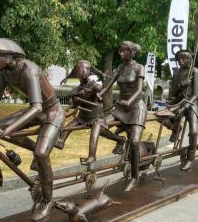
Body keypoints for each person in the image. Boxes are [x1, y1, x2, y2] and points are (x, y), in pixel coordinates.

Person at [0, 38, 65, 222]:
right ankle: (40, 147)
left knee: (42, 153)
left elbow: (37, 107)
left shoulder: (30, 70)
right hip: (36, 111)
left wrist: (10, 129)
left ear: (10, 56)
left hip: (52, 111)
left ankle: (47, 200)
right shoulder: (4, 72)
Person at [55, 60, 126, 168]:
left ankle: (92, 155)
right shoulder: (79, 88)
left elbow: (99, 89)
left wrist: (94, 92)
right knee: (68, 127)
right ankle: (61, 140)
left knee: (95, 134)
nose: (81, 73)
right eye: (78, 71)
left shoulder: (93, 85)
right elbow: (71, 95)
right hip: (82, 117)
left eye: (83, 70)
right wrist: (75, 99)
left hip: (96, 117)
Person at [98, 41, 146, 191]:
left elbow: (139, 90)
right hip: (121, 108)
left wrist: (129, 102)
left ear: (132, 52)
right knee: (99, 126)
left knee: (135, 141)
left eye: (124, 51)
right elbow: (108, 84)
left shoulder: (139, 68)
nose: (121, 53)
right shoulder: (119, 68)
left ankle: (134, 177)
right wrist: (99, 94)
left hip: (136, 106)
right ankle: (120, 140)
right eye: (120, 50)